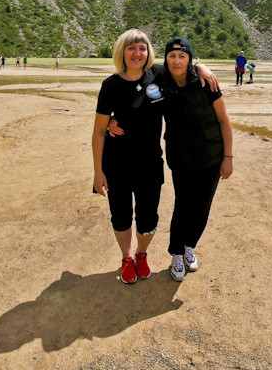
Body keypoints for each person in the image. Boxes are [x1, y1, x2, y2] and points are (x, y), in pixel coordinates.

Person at [92, 29, 219, 285]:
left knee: (148, 216)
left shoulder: (158, 75)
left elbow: (182, 64)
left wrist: (202, 67)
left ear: (148, 52)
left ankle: (142, 254)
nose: (137, 53)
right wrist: (98, 171)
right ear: (122, 52)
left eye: (142, 48)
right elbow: (97, 131)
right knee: (121, 214)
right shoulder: (110, 86)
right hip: (117, 163)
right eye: (131, 48)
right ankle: (126, 258)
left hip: (150, 162)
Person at [159, 37, 233, 282]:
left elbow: (224, 121)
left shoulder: (206, 83)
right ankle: (176, 253)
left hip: (211, 157)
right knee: (183, 205)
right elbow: (136, 97)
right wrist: (114, 119)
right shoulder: (160, 83)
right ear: (166, 58)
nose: (177, 60)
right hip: (180, 158)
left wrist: (228, 158)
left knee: (202, 206)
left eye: (183, 56)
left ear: (190, 58)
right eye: (172, 56)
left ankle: (190, 246)